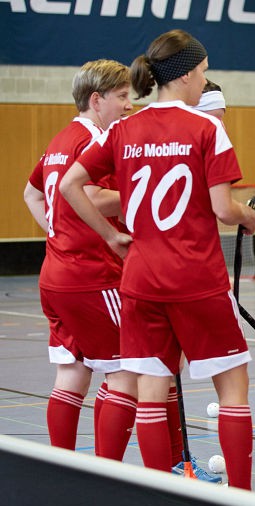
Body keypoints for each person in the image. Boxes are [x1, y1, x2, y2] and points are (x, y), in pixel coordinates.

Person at [59, 30, 255, 489]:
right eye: (204, 72)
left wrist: (110, 235)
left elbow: (72, 185)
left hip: (142, 280)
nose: (205, 80)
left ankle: (158, 497)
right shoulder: (207, 128)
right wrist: (246, 218)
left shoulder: (124, 129)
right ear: (186, 74)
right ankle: (246, 499)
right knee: (232, 389)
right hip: (198, 278)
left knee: (150, 392)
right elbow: (222, 208)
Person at [22, 59, 139, 460]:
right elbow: (88, 196)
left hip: (55, 275)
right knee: (128, 372)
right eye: (122, 97)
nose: (128, 105)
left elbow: (31, 194)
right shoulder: (94, 141)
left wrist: (58, 232)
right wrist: (138, 193)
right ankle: (107, 474)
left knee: (71, 373)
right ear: (96, 99)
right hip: (92, 276)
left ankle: (64, 471)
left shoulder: (59, 140)